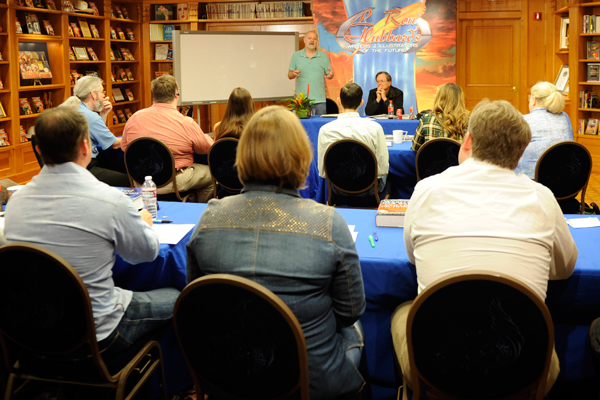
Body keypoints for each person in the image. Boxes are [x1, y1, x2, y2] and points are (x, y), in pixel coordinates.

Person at [392, 99, 578, 395]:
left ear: (467, 141)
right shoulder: (542, 198)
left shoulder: (426, 190)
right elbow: (564, 268)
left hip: (438, 368)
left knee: (403, 312)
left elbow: (414, 257)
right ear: (519, 154)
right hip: (519, 377)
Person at [187, 105, 366, 400]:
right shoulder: (329, 223)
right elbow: (350, 312)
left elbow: (198, 300)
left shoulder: (210, 218)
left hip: (232, 378)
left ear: (242, 155)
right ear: (301, 157)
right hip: (310, 382)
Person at [4, 107, 180, 360]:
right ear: (86, 147)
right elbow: (147, 253)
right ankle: (163, 383)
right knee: (177, 298)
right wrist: (144, 222)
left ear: (39, 150)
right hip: (96, 335)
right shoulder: (109, 199)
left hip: (32, 333)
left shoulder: (16, 203)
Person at [121, 74, 214, 202]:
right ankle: (197, 212)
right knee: (212, 175)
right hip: (174, 181)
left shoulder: (134, 118)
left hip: (140, 181)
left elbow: (125, 148)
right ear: (177, 95)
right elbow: (206, 149)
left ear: (154, 94)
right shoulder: (185, 122)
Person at [317, 82, 389, 195]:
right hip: (369, 190)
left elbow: (322, 172)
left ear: (339, 101)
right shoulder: (375, 128)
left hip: (338, 190)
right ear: (361, 103)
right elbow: (383, 169)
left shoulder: (325, 130)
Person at [73, 76, 130, 187]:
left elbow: (96, 134)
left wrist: (103, 114)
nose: (104, 96)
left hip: (69, 167)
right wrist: (137, 137)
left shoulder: (75, 108)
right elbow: (114, 144)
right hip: (85, 167)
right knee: (127, 180)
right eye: (102, 92)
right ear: (93, 95)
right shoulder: (90, 116)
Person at [515, 81, 574, 179]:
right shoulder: (565, 117)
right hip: (566, 185)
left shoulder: (523, 121)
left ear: (533, 100)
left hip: (534, 184)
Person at [411, 82, 469, 152]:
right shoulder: (469, 122)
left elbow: (415, 148)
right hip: (460, 162)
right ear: (460, 100)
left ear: (438, 99)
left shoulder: (426, 120)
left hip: (430, 162)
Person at [288, 30, 334, 116]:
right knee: (301, 127)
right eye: (309, 38)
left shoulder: (323, 56)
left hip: (319, 101)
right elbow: (289, 75)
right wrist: (293, 73)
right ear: (304, 40)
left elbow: (330, 74)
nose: (312, 40)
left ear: (317, 41)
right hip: (301, 101)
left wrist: (330, 75)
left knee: (319, 127)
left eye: (314, 39)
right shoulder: (296, 56)